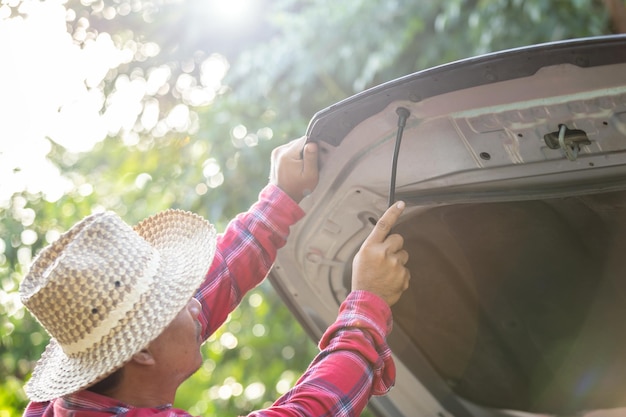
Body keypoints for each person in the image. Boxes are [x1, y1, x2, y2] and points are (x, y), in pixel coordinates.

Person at [20, 135, 411, 417]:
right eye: (174, 302)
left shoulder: (76, 400)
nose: (194, 301)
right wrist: (367, 305)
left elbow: (209, 290)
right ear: (139, 351)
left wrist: (280, 198)